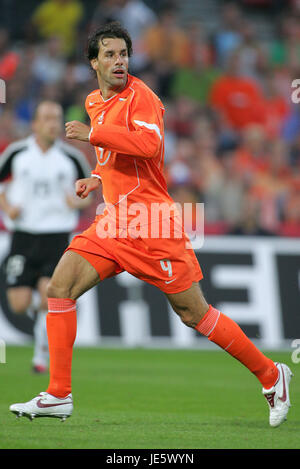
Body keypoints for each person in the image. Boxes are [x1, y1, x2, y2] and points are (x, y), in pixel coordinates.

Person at [9, 22, 293, 427]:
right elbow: (118, 161)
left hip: (152, 224)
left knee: (194, 314)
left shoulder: (142, 98)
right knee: (60, 287)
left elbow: (150, 146)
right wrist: (98, 177)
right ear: (94, 63)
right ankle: (58, 394)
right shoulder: (94, 100)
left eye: (123, 54)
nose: (119, 61)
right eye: (109, 55)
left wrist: (94, 136)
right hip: (113, 223)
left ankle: (271, 375)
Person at [0, 100, 91, 373]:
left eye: (57, 118)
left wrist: (76, 202)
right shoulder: (17, 154)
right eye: (48, 118)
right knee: (19, 303)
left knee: (48, 296)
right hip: (23, 236)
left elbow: (89, 194)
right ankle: (41, 342)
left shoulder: (72, 158)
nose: (54, 124)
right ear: (36, 124)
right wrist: (7, 207)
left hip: (56, 236)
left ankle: (41, 354)